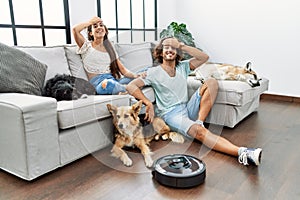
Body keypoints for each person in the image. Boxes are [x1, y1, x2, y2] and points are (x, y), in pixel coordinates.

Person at [126, 37, 262, 166]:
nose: (170, 50)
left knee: (211, 82)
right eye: (166, 47)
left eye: (173, 48)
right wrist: (148, 103)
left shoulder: (183, 67)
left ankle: (199, 122)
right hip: (171, 115)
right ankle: (243, 153)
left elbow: (204, 57)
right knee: (200, 133)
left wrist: (182, 46)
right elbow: (130, 86)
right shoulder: (153, 72)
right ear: (160, 52)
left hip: (187, 107)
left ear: (178, 52)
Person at [72, 16, 146, 95]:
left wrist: (135, 76)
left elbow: (123, 70)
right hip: (100, 84)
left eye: (101, 25)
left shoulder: (110, 48)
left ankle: (124, 89)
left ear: (105, 31)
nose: (99, 27)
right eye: (95, 26)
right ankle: (130, 88)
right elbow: (75, 30)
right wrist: (91, 23)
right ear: (91, 33)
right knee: (108, 84)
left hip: (115, 80)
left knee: (146, 71)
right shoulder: (86, 46)